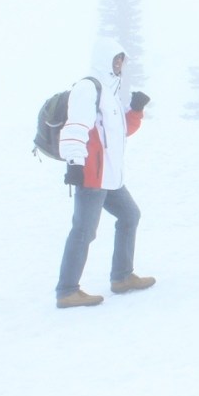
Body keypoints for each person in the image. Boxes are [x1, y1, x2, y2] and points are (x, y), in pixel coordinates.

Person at [54, 39, 155, 308]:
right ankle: (67, 291)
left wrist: (135, 111)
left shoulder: (110, 94)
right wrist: (75, 163)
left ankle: (122, 277)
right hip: (92, 175)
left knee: (130, 215)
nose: (119, 63)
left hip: (110, 178)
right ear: (104, 59)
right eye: (115, 58)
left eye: (122, 59)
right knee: (84, 231)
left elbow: (120, 133)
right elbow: (75, 126)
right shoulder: (88, 88)